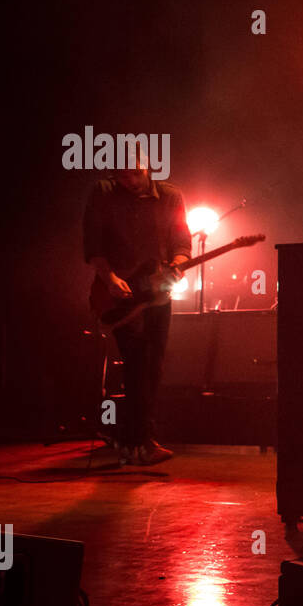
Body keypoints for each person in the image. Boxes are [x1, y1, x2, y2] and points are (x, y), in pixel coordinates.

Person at [83, 148, 191, 466]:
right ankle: (141, 441)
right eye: (122, 175)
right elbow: (93, 243)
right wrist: (111, 278)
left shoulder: (171, 196)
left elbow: (182, 244)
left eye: (134, 173)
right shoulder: (103, 193)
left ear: (146, 168)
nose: (129, 181)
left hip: (157, 293)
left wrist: (177, 265)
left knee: (153, 364)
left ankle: (133, 441)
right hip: (120, 293)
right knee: (137, 361)